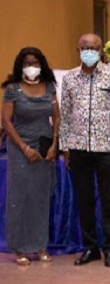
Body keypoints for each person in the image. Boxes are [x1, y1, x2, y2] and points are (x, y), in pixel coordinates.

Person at [60, 34, 110, 267]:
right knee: (84, 199)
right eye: (85, 48)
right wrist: (65, 146)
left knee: (108, 199)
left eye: (94, 48)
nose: (90, 52)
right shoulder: (69, 78)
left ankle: (109, 248)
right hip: (78, 147)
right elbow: (65, 114)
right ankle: (90, 247)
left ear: (101, 51)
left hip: (106, 147)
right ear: (78, 50)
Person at [1, 47, 59, 266]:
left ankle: (40, 245)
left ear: (42, 64)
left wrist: (55, 144)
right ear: (20, 65)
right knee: (20, 198)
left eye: (35, 62)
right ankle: (19, 248)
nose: (31, 67)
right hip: (20, 147)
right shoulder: (12, 89)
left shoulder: (50, 87)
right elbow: (6, 121)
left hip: (44, 147)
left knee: (41, 197)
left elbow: (56, 116)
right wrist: (24, 148)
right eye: (27, 63)